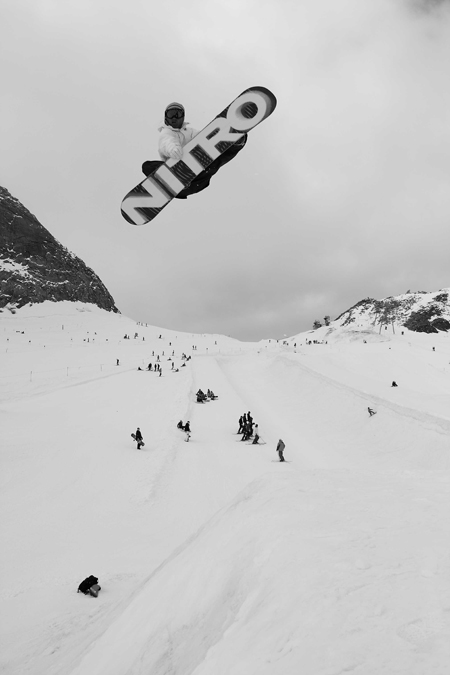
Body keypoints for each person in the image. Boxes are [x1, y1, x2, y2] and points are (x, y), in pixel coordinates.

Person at [142, 102, 247, 199]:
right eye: (171, 114)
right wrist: (173, 149)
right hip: (180, 173)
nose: (174, 117)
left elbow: (204, 138)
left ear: (183, 117)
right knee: (147, 166)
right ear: (166, 116)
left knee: (214, 160)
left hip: (197, 180)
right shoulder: (166, 133)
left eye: (178, 114)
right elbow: (166, 143)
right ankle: (173, 181)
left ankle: (235, 142)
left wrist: (218, 137)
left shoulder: (190, 132)